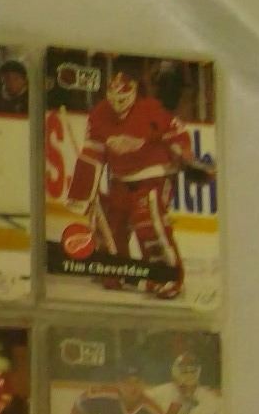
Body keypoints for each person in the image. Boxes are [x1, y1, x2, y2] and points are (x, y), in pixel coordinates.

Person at [62, 69, 204, 299]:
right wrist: (82, 192)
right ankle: (115, 268)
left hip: (153, 177)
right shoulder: (99, 114)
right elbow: (92, 153)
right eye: (114, 99)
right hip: (120, 179)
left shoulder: (151, 109)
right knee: (112, 222)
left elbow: (177, 134)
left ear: (134, 92)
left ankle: (166, 275)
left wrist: (185, 156)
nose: (117, 105)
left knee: (148, 222)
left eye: (123, 99)